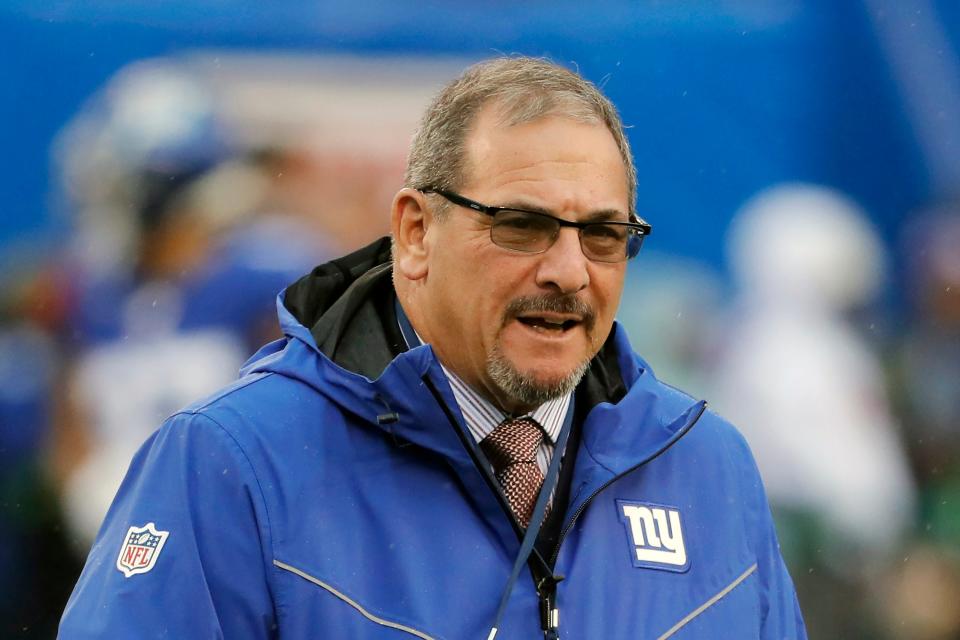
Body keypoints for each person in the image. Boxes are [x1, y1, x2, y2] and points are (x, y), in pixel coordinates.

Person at [59, 56, 806, 639]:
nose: (569, 272)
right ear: (416, 233)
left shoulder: (708, 469)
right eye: (521, 225)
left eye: (604, 236)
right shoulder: (232, 466)